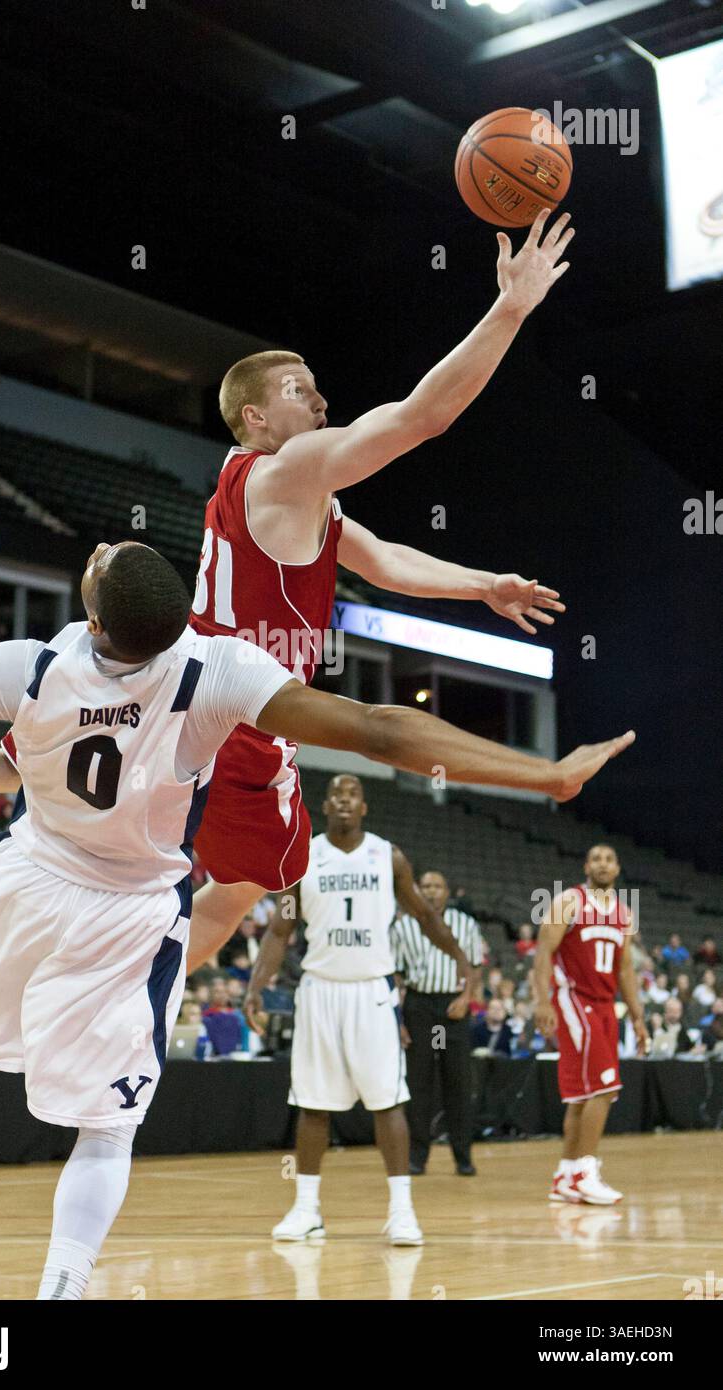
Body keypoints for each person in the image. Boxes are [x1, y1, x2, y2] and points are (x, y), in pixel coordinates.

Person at [0, 540, 632, 1296]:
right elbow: (377, 728)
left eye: (101, 561)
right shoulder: (214, 670)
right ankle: (62, 1286)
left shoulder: (27, 665)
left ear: (96, 626)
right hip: (127, 912)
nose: (100, 547)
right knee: (107, 1126)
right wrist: (544, 774)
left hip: (29, 880)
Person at [184, 208, 576, 967]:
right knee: (215, 887)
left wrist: (481, 585)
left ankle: (120, 1003)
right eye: (302, 392)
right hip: (235, 720)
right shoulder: (282, 471)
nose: (322, 402)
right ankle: (100, 1014)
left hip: (215, 712)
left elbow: (385, 560)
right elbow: (421, 418)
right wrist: (511, 308)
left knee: (229, 889)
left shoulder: (288, 498)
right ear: (256, 417)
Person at [246, 776, 471, 1246]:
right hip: (319, 990)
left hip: (372, 991)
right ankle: (306, 1210)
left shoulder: (387, 856)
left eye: (353, 794)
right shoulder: (302, 856)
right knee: (312, 1103)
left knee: (388, 1100)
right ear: (325, 805)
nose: (344, 800)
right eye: (337, 794)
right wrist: (256, 985)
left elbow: (427, 917)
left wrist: (461, 960)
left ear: (364, 807)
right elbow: (280, 930)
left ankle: (402, 1212)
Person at [533, 845, 648, 1207]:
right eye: (595, 858)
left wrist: (638, 1015)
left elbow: (626, 969)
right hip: (573, 1000)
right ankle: (586, 1172)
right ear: (586, 866)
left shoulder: (624, 913)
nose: (602, 864)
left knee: (583, 1096)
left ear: (617, 868)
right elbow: (543, 952)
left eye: (609, 859)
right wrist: (542, 1001)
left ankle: (566, 1176)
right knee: (603, 1088)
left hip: (604, 1006)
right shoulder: (569, 901)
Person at [390, 868, 483, 1177]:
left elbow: (474, 967)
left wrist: (466, 997)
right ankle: (417, 1156)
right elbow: (395, 975)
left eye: (437, 886)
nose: (430, 891)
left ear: (446, 891)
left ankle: (463, 1156)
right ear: (417, 890)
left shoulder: (465, 924)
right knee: (419, 1083)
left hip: (451, 1009)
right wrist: (399, 1019)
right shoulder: (402, 927)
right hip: (419, 1007)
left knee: (458, 1082)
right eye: (425, 886)